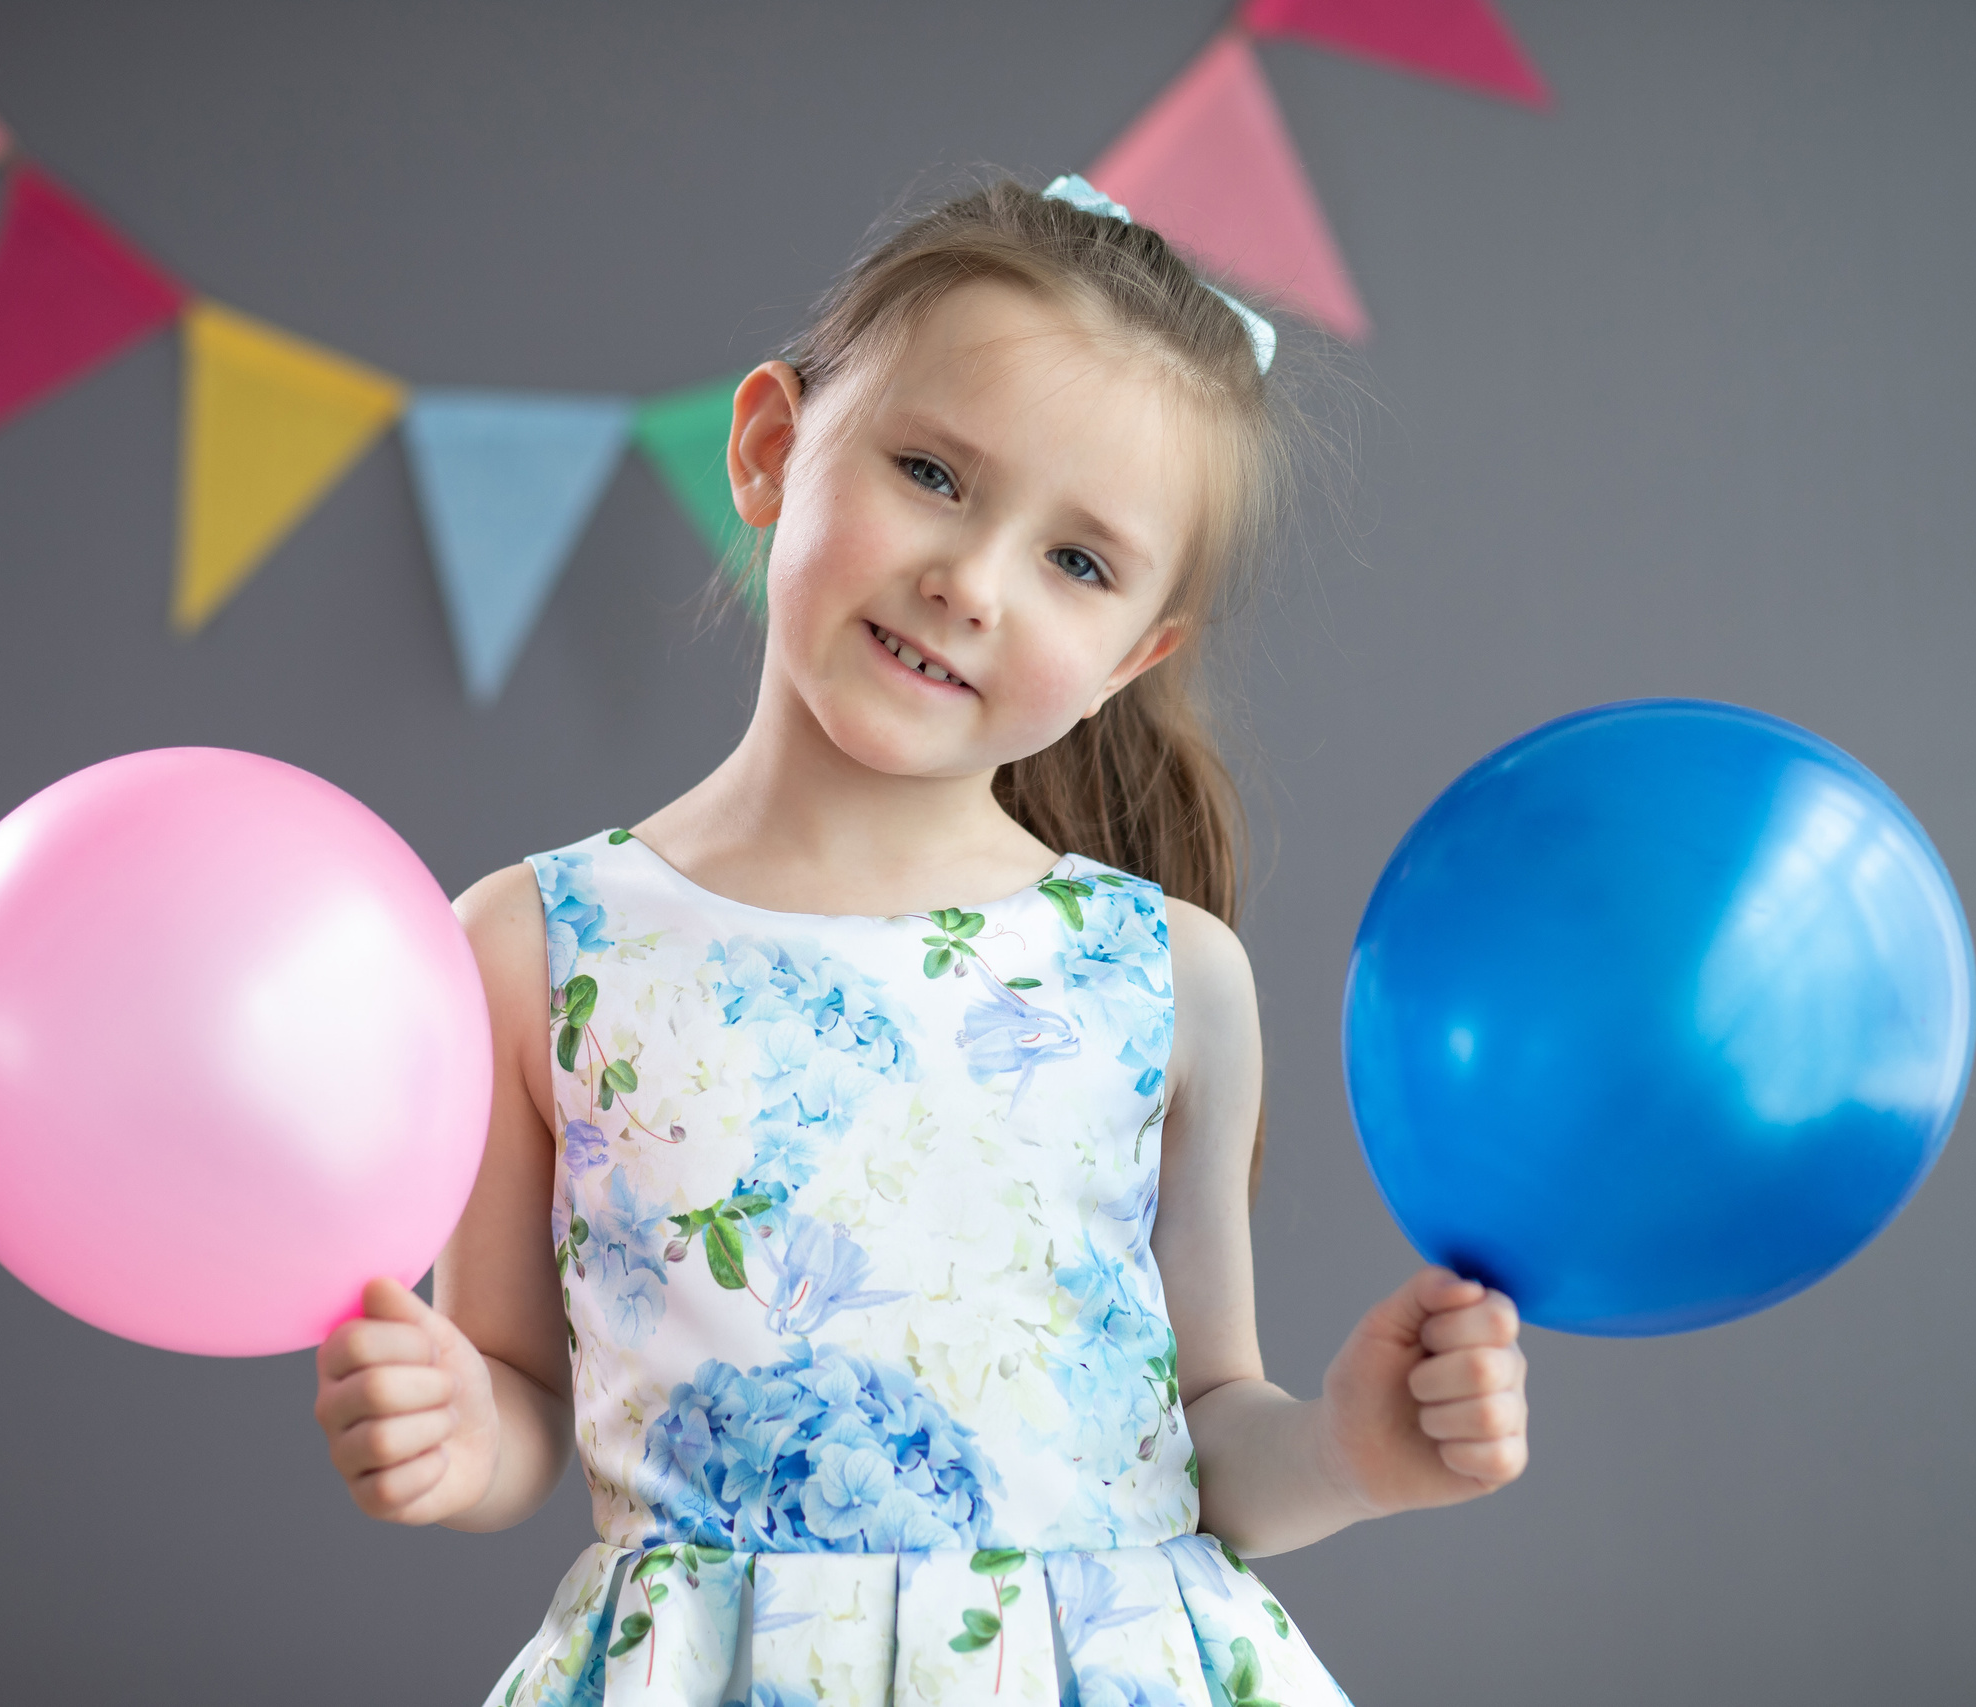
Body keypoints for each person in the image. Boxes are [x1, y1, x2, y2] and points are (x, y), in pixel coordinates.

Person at [311, 175, 1529, 1707]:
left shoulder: (1169, 978)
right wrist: (451, 1431)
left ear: (1133, 656)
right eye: (933, 474)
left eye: (1077, 564)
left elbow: (1205, 1432)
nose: (970, 584)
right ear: (771, 447)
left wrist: (1352, 1450)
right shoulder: (535, 945)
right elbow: (520, 1397)